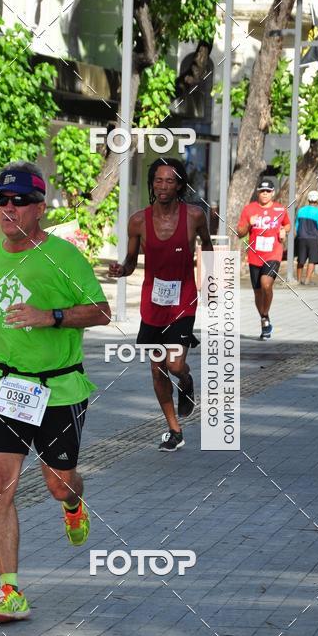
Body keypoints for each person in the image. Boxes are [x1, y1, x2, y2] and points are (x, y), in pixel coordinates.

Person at [0, 161, 111, 625]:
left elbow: (100, 311)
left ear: (40, 207)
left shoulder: (64, 255)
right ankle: (10, 592)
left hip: (59, 386)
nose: (8, 208)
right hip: (7, 386)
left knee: (58, 483)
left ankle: (74, 503)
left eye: (20, 200)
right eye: (2, 200)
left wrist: (51, 316)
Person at [108, 157, 213, 452]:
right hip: (152, 304)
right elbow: (131, 263)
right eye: (158, 180)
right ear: (151, 184)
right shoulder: (138, 221)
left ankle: (186, 379)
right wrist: (121, 270)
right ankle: (174, 430)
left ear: (179, 184)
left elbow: (207, 245)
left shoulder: (194, 215)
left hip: (183, 300)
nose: (163, 186)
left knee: (174, 363)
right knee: (157, 369)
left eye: (170, 180)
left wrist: (212, 281)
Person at [236, 177, 291, 341]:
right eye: (262, 191)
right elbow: (239, 233)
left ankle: (265, 315)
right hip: (255, 255)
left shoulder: (280, 209)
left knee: (266, 284)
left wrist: (284, 231)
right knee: (258, 292)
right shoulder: (249, 209)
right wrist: (248, 225)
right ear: (258, 193)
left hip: (273, 254)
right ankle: (264, 320)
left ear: (272, 193)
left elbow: (287, 224)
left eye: (268, 191)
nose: (265, 194)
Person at [296, 190, 318, 285]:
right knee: (312, 260)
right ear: (317, 201)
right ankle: (307, 280)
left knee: (301, 260)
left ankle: (299, 280)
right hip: (313, 239)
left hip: (301, 238)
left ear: (308, 200)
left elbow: (297, 225)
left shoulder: (301, 210)